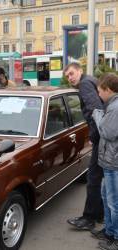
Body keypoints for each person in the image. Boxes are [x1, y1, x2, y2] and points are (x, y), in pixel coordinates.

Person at [64, 62, 104, 230]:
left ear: (80, 71)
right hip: (106, 136)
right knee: (99, 179)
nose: (70, 78)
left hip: (101, 138)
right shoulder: (91, 81)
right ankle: (100, 214)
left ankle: (89, 219)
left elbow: (95, 110)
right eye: (67, 76)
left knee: (93, 179)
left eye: (72, 73)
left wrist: (93, 136)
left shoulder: (85, 84)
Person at [92, 73, 118, 250]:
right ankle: (109, 231)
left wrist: (97, 115)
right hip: (109, 162)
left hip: (114, 163)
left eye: (100, 91)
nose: (98, 94)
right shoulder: (112, 105)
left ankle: (116, 238)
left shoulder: (115, 108)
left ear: (108, 90)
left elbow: (108, 133)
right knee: (106, 197)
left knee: (114, 203)